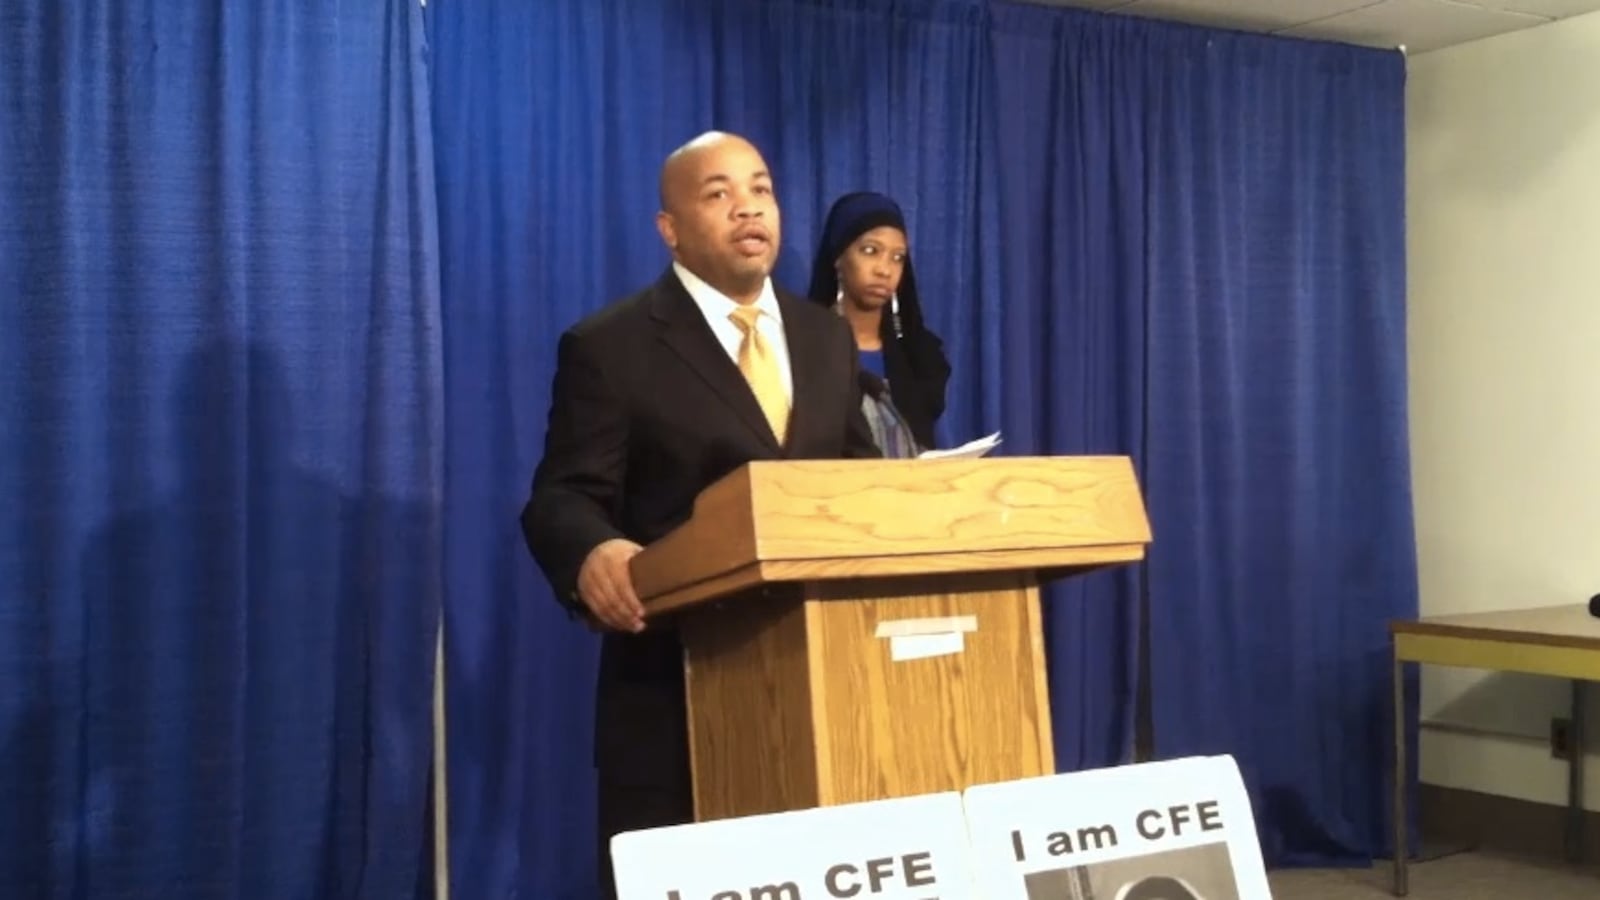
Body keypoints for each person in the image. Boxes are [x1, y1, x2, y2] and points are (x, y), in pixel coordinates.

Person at [519, 131, 880, 900]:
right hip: (677, 695)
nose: (749, 207)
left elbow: (856, 480)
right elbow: (562, 496)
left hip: (829, 687)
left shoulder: (824, 337)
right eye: (718, 194)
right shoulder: (611, 347)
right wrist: (594, 550)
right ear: (670, 228)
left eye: (762, 189)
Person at [807, 191, 952, 457]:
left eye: (897, 257)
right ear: (838, 258)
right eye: (870, 251)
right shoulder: (804, 349)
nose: (885, 270)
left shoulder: (921, 357)